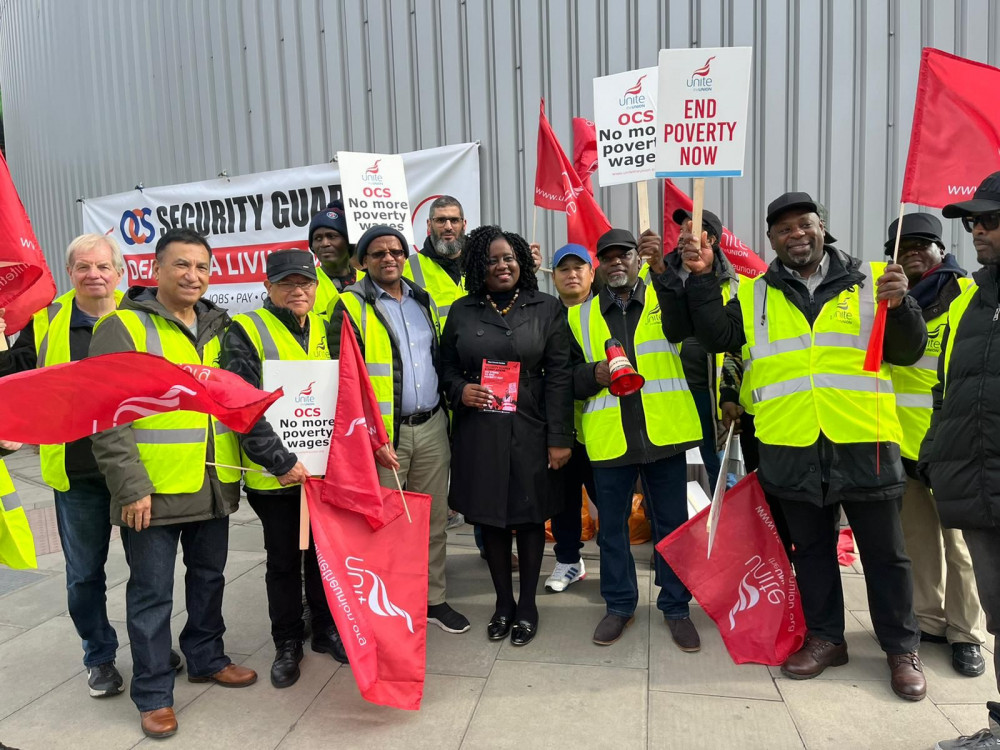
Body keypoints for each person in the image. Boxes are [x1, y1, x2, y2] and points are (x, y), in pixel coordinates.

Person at [666, 191, 927, 701]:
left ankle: (901, 648)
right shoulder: (756, 293)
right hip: (790, 443)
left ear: (822, 227)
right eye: (783, 230)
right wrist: (699, 277)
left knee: (886, 555)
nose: (795, 235)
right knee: (810, 550)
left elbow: (907, 349)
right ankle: (828, 638)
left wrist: (903, 305)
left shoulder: (874, 278)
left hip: (863, 439)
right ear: (771, 240)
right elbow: (718, 335)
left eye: (804, 225)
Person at [0, 234, 186, 696]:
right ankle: (99, 656)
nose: (94, 275)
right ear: (70, 273)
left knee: (151, 577)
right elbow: (16, 370)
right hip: (78, 473)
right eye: (84, 267)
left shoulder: (146, 316)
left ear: (119, 272)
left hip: (136, 471)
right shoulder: (47, 319)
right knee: (85, 576)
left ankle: (151, 649)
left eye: (103, 266)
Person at [90, 228, 256, 739]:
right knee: (151, 596)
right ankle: (155, 693)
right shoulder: (122, 327)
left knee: (209, 580)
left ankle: (206, 656)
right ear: (156, 269)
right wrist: (129, 486)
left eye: (202, 267)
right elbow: (106, 416)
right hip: (153, 493)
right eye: (182, 266)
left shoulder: (218, 326)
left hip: (213, 484)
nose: (193, 276)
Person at [220, 249, 349, 689]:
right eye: (287, 283)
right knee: (282, 562)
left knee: (320, 556)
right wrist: (282, 461)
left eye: (305, 282)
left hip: (321, 473)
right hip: (274, 477)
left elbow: (343, 394)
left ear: (316, 286)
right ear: (268, 287)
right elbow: (242, 408)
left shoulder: (327, 327)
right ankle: (287, 640)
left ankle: (325, 629)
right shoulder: (245, 330)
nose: (298, 290)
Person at [569, 227, 702, 650]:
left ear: (637, 258)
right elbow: (564, 377)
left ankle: (677, 607)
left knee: (672, 525)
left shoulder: (666, 299)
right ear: (599, 267)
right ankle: (620, 605)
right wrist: (592, 375)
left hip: (663, 435)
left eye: (623, 254)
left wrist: (664, 270)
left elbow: (691, 329)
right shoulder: (579, 315)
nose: (616, 263)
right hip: (611, 439)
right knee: (612, 530)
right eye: (607, 257)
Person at [440, 225, 574, 646]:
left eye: (509, 258)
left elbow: (561, 376)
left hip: (531, 425)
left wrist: (559, 437)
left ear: (521, 262)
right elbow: (443, 367)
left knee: (530, 515)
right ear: (479, 265)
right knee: (492, 517)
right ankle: (503, 604)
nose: (503, 266)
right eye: (494, 260)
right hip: (480, 428)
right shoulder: (462, 310)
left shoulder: (547, 307)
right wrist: (461, 390)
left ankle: (528, 605)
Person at [341, 225, 470, 635]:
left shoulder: (422, 299)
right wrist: (371, 437)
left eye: (395, 251)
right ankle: (386, 606)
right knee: (382, 526)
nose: (388, 258)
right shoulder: (349, 305)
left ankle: (432, 600)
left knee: (431, 521)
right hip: (382, 439)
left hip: (431, 425)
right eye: (377, 253)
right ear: (363, 261)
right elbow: (345, 381)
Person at [920, 171, 1000, 750]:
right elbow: (951, 386)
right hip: (976, 485)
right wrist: (936, 453)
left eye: (990, 220)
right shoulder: (981, 301)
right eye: (973, 221)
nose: (977, 231)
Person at [886, 213, 985, 678]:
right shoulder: (886, 302)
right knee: (919, 542)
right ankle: (928, 620)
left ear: (942, 251)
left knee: (960, 546)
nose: (912, 253)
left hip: (949, 445)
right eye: (903, 247)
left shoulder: (968, 297)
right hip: (900, 444)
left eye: (922, 245)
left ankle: (966, 634)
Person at [543, 244, 597, 593]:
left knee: (609, 501)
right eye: (564, 269)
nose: (572, 274)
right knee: (562, 499)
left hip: (603, 426)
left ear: (593, 273)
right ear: (554, 277)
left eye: (580, 268)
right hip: (560, 427)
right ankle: (568, 561)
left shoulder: (608, 310)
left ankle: (616, 560)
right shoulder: (544, 315)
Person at [402, 195, 469, 330]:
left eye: (454, 220)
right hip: (431, 350)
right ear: (429, 224)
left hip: (475, 349)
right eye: (441, 220)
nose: (448, 227)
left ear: (464, 224)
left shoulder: (481, 263)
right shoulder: (408, 267)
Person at [307, 200, 360, 315]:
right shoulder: (305, 284)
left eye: (332, 236)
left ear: (348, 242)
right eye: (318, 238)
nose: (325, 243)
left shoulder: (371, 281)